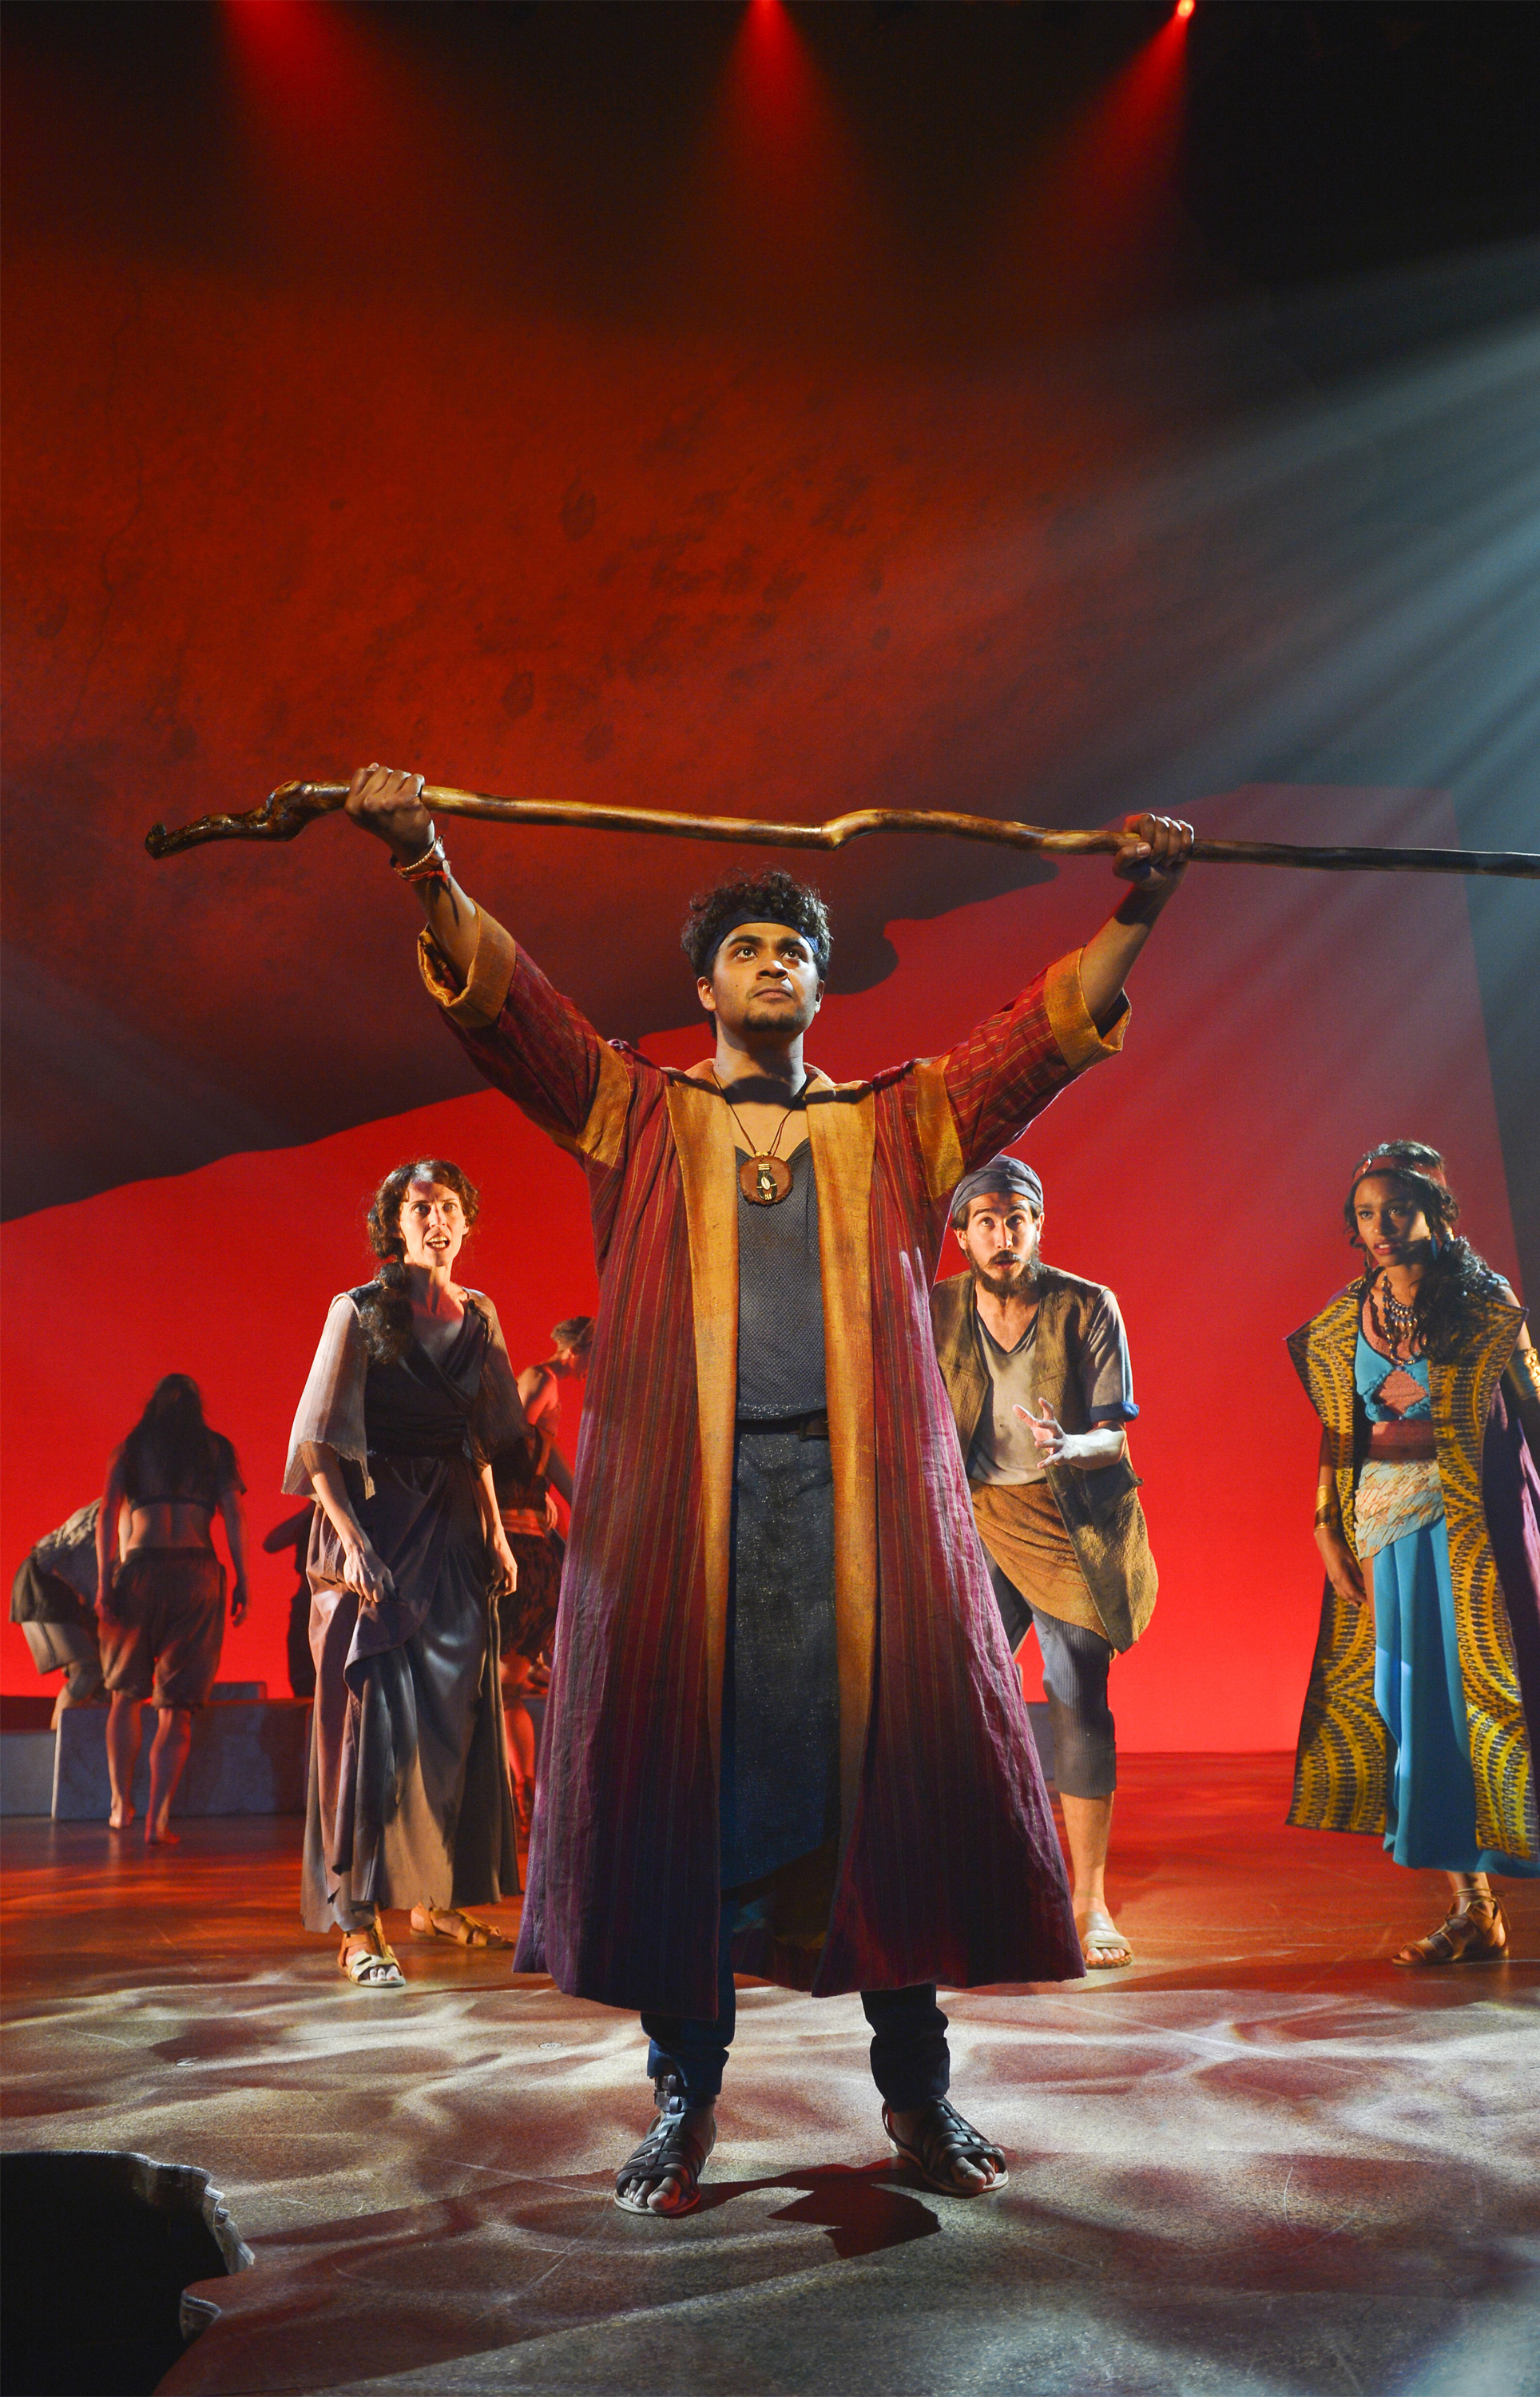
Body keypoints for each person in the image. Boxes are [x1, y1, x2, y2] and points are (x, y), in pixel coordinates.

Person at [343, 759, 1189, 2211]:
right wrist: (424, 858)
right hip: (693, 1528)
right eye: (745, 948)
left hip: (861, 1523)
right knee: (693, 1806)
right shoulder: (637, 1113)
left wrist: (1143, 903)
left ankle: (916, 2095)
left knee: (888, 1799)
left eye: (794, 947)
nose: (774, 963)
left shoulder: (893, 1125)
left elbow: (1033, 1042)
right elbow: (513, 1009)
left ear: (818, 985)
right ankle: (684, 2104)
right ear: (706, 986)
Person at [1288, 1139, 1540, 1965]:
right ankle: (1473, 1909)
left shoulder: (1484, 1303)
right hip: (1389, 1532)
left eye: (1396, 1209)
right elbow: (1337, 1426)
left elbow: (1536, 1417)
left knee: (1528, 1695)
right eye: (1365, 1214)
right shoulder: (1346, 1318)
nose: (1380, 1226)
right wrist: (1325, 1526)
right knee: (1419, 1712)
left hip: (1483, 1528)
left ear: (1434, 1214)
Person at [288, 1158, 526, 1988]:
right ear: (394, 1223)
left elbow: (479, 1439)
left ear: (466, 1221)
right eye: (420, 1208)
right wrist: (351, 1539)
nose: (436, 1221)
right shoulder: (357, 1310)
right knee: (372, 1731)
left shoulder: (480, 1315)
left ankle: (435, 1897)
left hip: (453, 1532)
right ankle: (358, 1925)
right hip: (376, 1530)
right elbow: (317, 1442)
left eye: (449, 1206)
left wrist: (496, 1531)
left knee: (452, 1725)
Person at [931, 1156, 1156, 1970]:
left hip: (1069, 1524)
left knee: (1077, 1695)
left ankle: (1088, 1900)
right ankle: (975, 1887)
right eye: (986, 1221)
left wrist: (1069, 1445)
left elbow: (1113, 1436)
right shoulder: (934, 1308)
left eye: (1017, 1219)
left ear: (1038, 1226)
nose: (1004, 1235)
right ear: (961, 1235)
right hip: (974, 1521)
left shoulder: (1086, 1304)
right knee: (953, 1700)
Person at [95, 1376, 249, 1843]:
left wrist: (104, 1583)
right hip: (197, 1575)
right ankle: (157, 1820)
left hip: (141, 1572)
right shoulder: (215, 1450)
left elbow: (107, 1513)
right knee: (177, 1709)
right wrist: (243, 1578)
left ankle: (120, 1805)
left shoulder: (130, 1448)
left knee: (125, 1695)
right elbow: (235, 1515)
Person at [496, 1318, 593, 1826]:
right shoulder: (542, 1378)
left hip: (525, 1548)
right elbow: (505, 1442)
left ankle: (521, 1793)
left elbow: (560, 1477)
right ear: (577, 1350)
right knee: (505, 1685)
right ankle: (520, 1792)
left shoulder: (542, 1398)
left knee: (504, 1686)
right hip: (520, 1549)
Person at [10, 1502, 112, 1719]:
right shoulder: (118, 1509)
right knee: (87, 1672)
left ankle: (94, 1738)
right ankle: (57, 1737)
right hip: (45, 1580)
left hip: (71, 1591)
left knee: (107, 1680)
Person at [263, 1503, 316, 1699]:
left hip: (336, 1603)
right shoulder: (310, 1519)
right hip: (306, 1603)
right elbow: (271, 1543)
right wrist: (311, 1509)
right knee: (302, 1679)